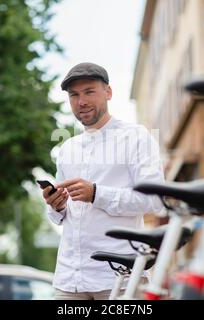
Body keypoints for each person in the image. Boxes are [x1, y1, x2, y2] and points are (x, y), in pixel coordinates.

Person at [41, 62, 164, 300]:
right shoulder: (67, 148)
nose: (81, 101)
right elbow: (60, 217)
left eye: (89, 92)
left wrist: (97, 194)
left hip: (118, 278)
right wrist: (56, 204)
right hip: (70, 280)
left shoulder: (136, 137)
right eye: (74, 95)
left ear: (108, 92)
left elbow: (155, 200)